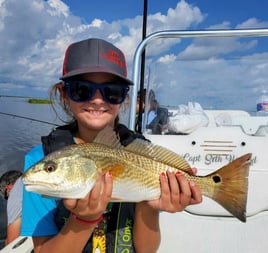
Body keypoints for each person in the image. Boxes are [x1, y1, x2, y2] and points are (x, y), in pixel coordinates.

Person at [21, 38, 202, 253]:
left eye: (112, 91)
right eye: (81, 89)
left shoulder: (144, 155)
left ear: (125, 97)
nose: (98, 100)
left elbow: (147, 250)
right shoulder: (40, 158)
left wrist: (149, 205)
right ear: (64, 94)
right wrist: (83, 220)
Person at [0, 170, 23, 245]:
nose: (8, 199)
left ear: (7, 189)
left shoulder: (15, 193)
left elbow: (12, 243)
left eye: (5, 196)